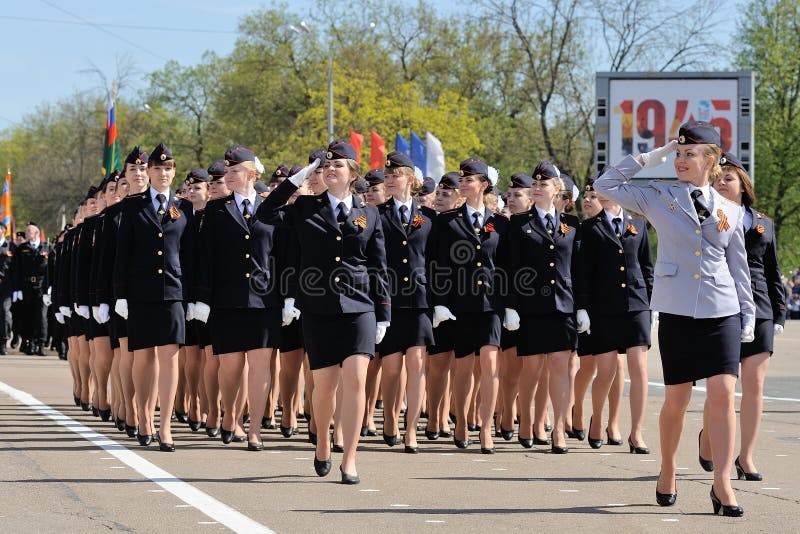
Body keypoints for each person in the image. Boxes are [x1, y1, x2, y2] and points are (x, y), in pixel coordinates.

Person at [594, 121, 754, 516]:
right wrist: (653, 156)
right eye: (678, 153)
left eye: (689, 154)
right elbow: (606, 185)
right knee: (677, 400)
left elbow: (739, 267)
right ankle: (667, 467)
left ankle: (722, 484)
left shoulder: (730, 211)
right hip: (678, 309)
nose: (680, 160)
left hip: (722, 309)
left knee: (722, 394)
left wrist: (748, 313)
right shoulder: (659, 195)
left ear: (711, 159)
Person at [256, 139, 391, 484]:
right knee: (325, 387)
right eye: (325, 166)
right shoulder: (303, 208)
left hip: (360, 306)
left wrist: (384, 310)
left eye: (338, 166)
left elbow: (378, 265)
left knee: (357, 380)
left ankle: (350, 458)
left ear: (352, 173)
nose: (330, 170)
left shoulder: (369, 213)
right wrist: (293, 181)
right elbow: (265, 214)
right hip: (318, 306)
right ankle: (322, 445)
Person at [698, 152, 786, 481]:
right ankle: (708, 440)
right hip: (719, 307)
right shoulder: (705, 217)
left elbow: (773, 272)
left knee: (755, 384)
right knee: (721, 385)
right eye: (717, 177)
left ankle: (745, 457)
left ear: (743, 185)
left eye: (728, 178)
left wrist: (778, 311)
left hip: (760, 309)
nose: (721, 182)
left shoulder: (765, 224)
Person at [194, 146, 282, 451]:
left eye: (234, 171)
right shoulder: (216, 210)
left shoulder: (272, 208)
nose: (228, 175)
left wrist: (289, 297)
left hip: (265, 299)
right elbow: (206, 257)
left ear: (252, 174)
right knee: (230, 368)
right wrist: (202, 298)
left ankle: (255, 428)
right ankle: (230, 413)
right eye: (227, 171)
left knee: (260, 368)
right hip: (227, 300)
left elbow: (282, 255)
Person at [113, 143, 189, 452]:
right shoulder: (132, 206)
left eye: (167, 169)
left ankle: (166, 425)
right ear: (149, 172)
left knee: (170, 359)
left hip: (173, 291)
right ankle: (144, 416)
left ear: (173, 172)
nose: (162, 174)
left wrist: (196, 296)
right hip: (141, 292)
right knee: (143, 358)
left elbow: (190, 254)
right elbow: (122, 256)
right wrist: (119, 295)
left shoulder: (183, 207)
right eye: (156, 169)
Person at [428, 158, 507, 453]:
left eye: (469, 179)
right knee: (462, 368)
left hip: (491, 303)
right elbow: (437, 265)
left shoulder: (500, 223)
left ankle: (485, 427)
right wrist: (439, 303)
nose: (463, 183)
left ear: (483, 185)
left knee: (489, 364)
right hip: (459, 305)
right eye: (462, 179)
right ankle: (461, 420)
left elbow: (506, 265)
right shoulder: (447, 221)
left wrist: (510, 305)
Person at [504, 161, 581, 453]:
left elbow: (578, 268)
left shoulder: (572, 225)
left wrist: (582, 308)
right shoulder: (518, 223)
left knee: (561, 369)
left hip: (563, 305)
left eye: (543, 184)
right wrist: (511, 306)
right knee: (532, 370)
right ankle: (526, 421)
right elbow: (510, 267)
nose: (536, 188)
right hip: (531, 306)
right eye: (534, 184)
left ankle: (558, 429)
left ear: (556, 189)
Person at [577, 177, 654, 454]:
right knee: (606, 371)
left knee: (639, 369)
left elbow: (646, 266)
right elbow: (583, 271)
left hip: (636, 304)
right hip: (604, 307)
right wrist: (583, 307)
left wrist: (652, 302)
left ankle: (636, 432)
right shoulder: (588, 228)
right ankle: (597, 419)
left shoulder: (638, 224)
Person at [377, 151, 436, 453]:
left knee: (416, 363)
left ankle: (411, 429)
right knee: (390, 368)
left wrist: (439, 301)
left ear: (410, 180)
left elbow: (435, 260)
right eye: (387, 175)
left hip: (419, 299)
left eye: (394, 175)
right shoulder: (376, 213)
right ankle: (390, 418)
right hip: (389, 300)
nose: (389, 180)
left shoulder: (427, 216)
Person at [496, 173, 534, 440]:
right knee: (510, 369)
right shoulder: (501, 225)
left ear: (531, 199)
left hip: (536, 304)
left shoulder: (540, 224)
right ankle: (507, 414)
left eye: (518, 195)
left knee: (532, 370)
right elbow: (501, 268)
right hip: (510, 303)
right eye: (509, 195)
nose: (511, 199)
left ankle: (529, 418)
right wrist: (508, 303)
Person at [12, 222, 50, 356]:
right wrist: (17, 289)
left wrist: (50, 287)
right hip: (26, 287)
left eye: (29, 232)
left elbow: (51, 269)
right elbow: (16, 270)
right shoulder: (22, 248)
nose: (26, 233)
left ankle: (40, 343)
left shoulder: (47, 247)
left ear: (37, 233)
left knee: (41, 317)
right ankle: (29, 343)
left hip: (41, 287)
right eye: (26, 231)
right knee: (27, 316)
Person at [0, 222, 13, 354]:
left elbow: (16, 269)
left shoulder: (10, 246)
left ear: (3, 231)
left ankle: (4, 341)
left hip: (6, 285)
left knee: (4, 311)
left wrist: (17, 288)